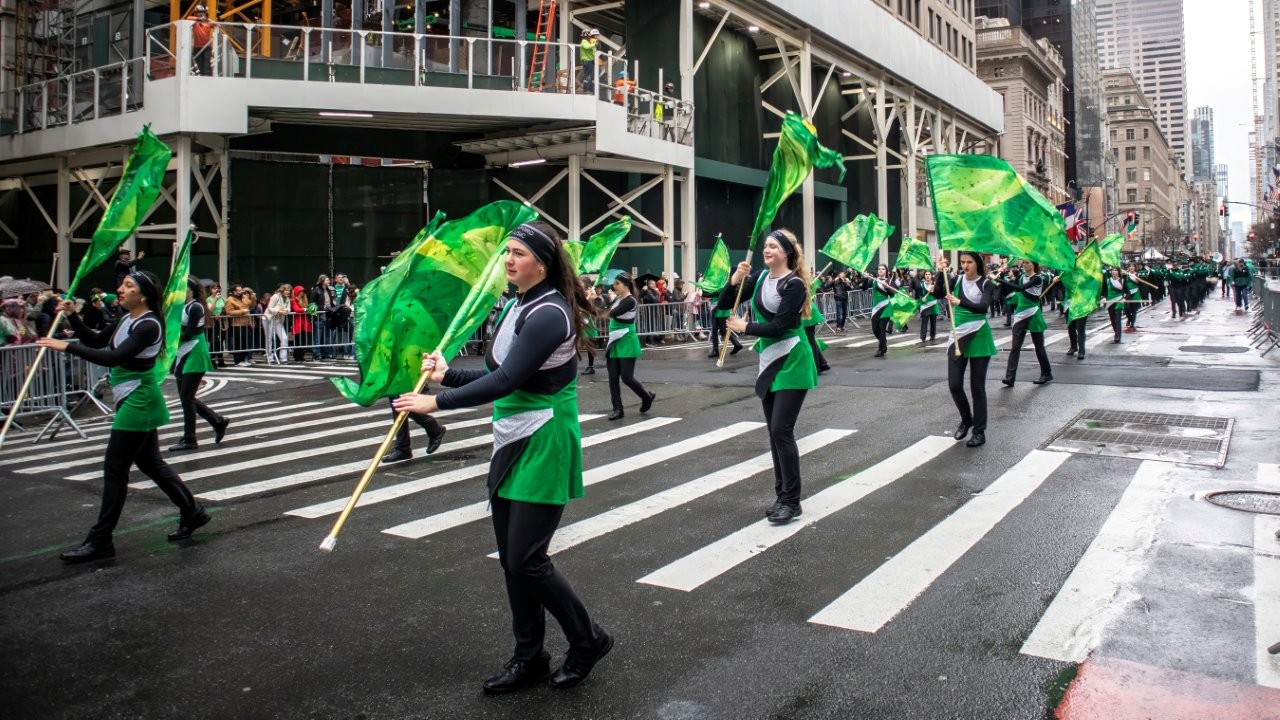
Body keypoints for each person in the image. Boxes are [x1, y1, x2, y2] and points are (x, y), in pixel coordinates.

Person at [393, 220, 613, 694]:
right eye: (507, 252)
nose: (508, 259)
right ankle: (529, 657)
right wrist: (448, 375)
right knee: (513, 562)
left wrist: (438, 403)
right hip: (512, 434)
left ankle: (588, 639)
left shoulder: (551, 313)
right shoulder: (517, 304)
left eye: (518, 252)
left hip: (545, 438)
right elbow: (498, 369)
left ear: (543, 262)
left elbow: (507, 380)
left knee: (526, 559)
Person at [36, 271, 210, 562]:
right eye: (121, 285)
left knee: (115, 469)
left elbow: (113, 358)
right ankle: (192, 511)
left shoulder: (149, 324)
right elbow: (96, 340)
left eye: (128, 286)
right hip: (131, 397)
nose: (119, 289)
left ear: (142, 294)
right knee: (151, 463)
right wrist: (74, 317)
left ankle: (101, 539)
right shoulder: (126, 320)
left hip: (139, 401)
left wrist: (67, 346)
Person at [723, 228, 816, 525]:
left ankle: (792, 500)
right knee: (773, 433)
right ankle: (782, 496)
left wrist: (744, 328)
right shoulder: (761, 278)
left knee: (781, 430)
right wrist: (735, 279)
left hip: (792, 360)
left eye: (773, 246)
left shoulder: (795, 284)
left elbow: (780, 325)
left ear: (786, 252)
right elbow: (726, 302)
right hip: (769, 360)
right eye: (766, 246)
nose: (767, 250)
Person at [934, 252, 996, 448]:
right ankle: (966, 418)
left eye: (969, 262)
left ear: (977, 263)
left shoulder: (986, 284)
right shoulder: (956, 279)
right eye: (962, 262)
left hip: (979, 335)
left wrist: (961, 302)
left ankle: (979, 431)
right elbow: (937, 293)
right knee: (954, 384)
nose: (965, 265)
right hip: (958, 334)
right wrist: (939, 272)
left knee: (977, 387)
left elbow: (983, 307)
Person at [169, 277, 230, 452]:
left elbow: (190, 333)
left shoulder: (196, 307)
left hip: (194, 353)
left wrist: (170, 334)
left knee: (187, 397)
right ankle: (217, 421)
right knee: (186, 397)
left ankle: (190, 438)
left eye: (182, 287)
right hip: (183, 353)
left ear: (191, 290)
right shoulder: (183, 306)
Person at [602, 271, 655, 420]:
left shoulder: (630, 300)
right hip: (614, 339)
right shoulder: (618, 298)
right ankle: (618, 409)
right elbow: (604, 308)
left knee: (626, 377)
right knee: (612, 377)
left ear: (626, 286)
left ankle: (646, 397)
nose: (614, 286)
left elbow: (609, 314)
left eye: (617, 284)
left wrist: (595, 306)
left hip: (626, 338)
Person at [998, 260, 1052, 386]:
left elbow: (1019, 288)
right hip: (1020, 314)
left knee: (1039, 347)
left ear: (1034, 265)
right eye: (1023, 263)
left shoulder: (1037, 279)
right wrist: (1001, 276)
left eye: (1027, 263)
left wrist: (1001, 280)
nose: (1024, 265)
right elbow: (1010, 289)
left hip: (1033, 313)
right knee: (1015, 347)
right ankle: (1010, 377)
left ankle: (1047, 373)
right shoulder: (1021, 277)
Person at [223, 284, 254, 366]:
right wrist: (242, 311)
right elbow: (229, 312)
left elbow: (251, 305)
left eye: (241, 289)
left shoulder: (243, 297)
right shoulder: (230, 300)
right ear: (234, 292)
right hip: (236, 324)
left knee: (244, 343)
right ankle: (238, 361)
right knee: (238, 343)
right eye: (239, 290)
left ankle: (243, 359)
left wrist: (252, 296)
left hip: (246, 323)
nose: (241, 291)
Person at [868, 265, 894, 357]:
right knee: (875, 329)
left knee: (881, 328)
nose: (880, 270)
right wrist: (865, 278)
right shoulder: (874, 280)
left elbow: (893, 295)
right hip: (876, 308)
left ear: (886, 271)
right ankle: (883, 341)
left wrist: (887, 288)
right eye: (879, 269)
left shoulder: (889, 281)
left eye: (883, 269)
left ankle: (881, 349)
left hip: (885, 307)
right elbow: (864, 287)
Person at [310, 275, 336, 360]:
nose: (329, 281)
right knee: (317, 337)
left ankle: (325, 353)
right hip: (319, 317)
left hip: (328, 317)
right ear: (322, 281)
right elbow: (312, 304)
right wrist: (314, 316)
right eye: (327, 280)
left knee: (326, 337)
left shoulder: (329, 290)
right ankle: (316, 354)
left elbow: (332, 302)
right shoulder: (316, 290)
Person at [265, 283, 291, 364]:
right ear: (282, 290)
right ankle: (270, 357)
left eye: (289, 291)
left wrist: (286, 311)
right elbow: (269, 308)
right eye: (286, 290)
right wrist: (278, 311)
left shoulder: (287, 299)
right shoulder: (275, 296)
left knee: (284, 338)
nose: (288, 292)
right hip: (269, 319)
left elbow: (289, 308)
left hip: (279, 320)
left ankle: (283, 358)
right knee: (269, 339)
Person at [1103, 267, 1126, 344]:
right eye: (1112, 270)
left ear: (1118, 272)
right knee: (1112, 320)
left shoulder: (1122, 281)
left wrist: (1124, 298)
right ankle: (1116, 332)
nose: (1114, 272)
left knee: (1118, 318)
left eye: (1115, 270)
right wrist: (1104, 298)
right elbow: (1104, 291)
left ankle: (1118, 336)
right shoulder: (1107, 280)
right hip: (1110, 301)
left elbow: (1127, 292)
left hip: (1119, 300)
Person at [190, 4, 213, 76]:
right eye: (197, 12)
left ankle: (207, 78)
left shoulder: (208, 22)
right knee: (199, 65)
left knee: (206, 64)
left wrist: (210, 20)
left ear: (204, 13)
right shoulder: (194, 22)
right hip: (197, 47)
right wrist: (198, 19)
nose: (199, 14)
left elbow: (219, 25)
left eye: (201, 12)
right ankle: (201, 77)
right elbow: (186, 18)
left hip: (206, 47)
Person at [578, 29, 600, 95]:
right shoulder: (584, 41)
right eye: (588, 36)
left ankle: (590, 89)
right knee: (588, 75)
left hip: (589, 60)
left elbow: (590, 49)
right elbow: (587, 47)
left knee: (590, 75)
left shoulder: (587, 41)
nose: (589, 37)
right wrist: (594, 44)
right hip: (587, 60)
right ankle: (587, 89)